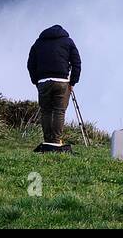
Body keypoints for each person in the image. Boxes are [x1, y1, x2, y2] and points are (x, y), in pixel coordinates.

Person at [26, 24, 82, 153]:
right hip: (62, 81)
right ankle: (56, 142)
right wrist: (73, 82)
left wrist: (36, 81)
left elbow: (30, 64)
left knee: (45, 111)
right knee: (59, 111)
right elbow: (77, 63)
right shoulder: (68, 41)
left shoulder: (38, 42)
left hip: (43, 81)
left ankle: (47, 141)